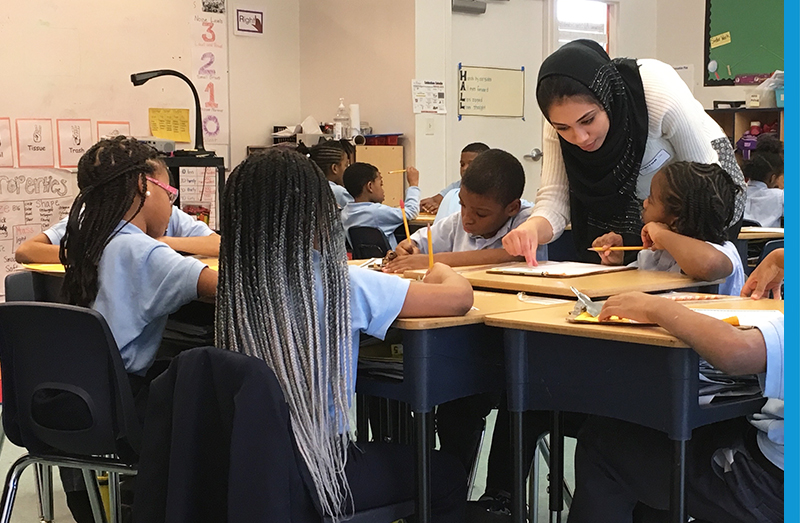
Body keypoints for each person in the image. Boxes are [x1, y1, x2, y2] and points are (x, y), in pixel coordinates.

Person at [215, 148, 472, 522]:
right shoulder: (342, 284)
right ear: (318, 214)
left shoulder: (236, 286)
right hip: (321, 467)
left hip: (246, 471)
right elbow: (458, 299)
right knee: (445, 474)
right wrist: (441, 268)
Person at [58, 136, 218, 522]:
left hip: (64, 403)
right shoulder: (144, 251)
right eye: (170, 191)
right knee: (216, 388)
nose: (172, 203)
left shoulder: (87, 242)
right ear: (145, 186)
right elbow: (231, 288)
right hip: (119, 410)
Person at [567, 250, 784, 522]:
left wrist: (655, 309)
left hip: (769, 487)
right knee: (679, 432)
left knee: (603, 441)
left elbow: (736, 352)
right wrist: (779, 257)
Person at [503, 39, 746, 266]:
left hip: (706, 195)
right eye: (563, 128)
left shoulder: (656, 91)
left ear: (607, 99)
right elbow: (555, 198)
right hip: (642, 208)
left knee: (692, 275)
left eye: (588, 120)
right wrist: (531, 229)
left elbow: (705, 183)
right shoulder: (558, 121)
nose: (580, 138)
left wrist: (669, 238)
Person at [593, 161, 745, 296]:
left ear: (675, 219)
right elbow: (627, 293)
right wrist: (614, 266)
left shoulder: (722, 250)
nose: (644, 203)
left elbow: (709, 265)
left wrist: (661, 234)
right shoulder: (653, 255)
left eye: (651, 199)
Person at [383, 149, 546, 273]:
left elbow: (513, 255)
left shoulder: (529, 220)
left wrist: (430, 261)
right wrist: (408, 247)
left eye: (481, 214)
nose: (467, 218)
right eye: (462, 205)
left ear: (512, 208)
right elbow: (418, 243)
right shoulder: (457, 222)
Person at [15, 205, 220, 264]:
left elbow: (218, 245)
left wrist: (163, 242)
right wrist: (96, 254)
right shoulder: (92, 216)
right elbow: (26, 251)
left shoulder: (168, 213)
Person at [340, 162, 420, 249]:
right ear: (370, 186)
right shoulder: (376, 212)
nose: (383, 190)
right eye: (381, 184)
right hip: (391, 260)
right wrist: (413, 185)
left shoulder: (345, 213)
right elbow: (411, 211)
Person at [420, 142, 490, 217]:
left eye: (471, 164)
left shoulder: (493, 189)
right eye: (462, 164)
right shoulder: (456, 187)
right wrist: (433, 206)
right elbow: (432, 201)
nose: (464, 168)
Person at [304, 139, 353, 209]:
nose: (348, 169)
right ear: (334, 168)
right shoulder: (339, 192)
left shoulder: (309, 187)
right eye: (346, 165)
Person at [742, 152, 783, 228]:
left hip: (739, 239)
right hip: (769, 238)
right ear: (772, 178)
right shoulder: (779, 196)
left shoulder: (737, 192)